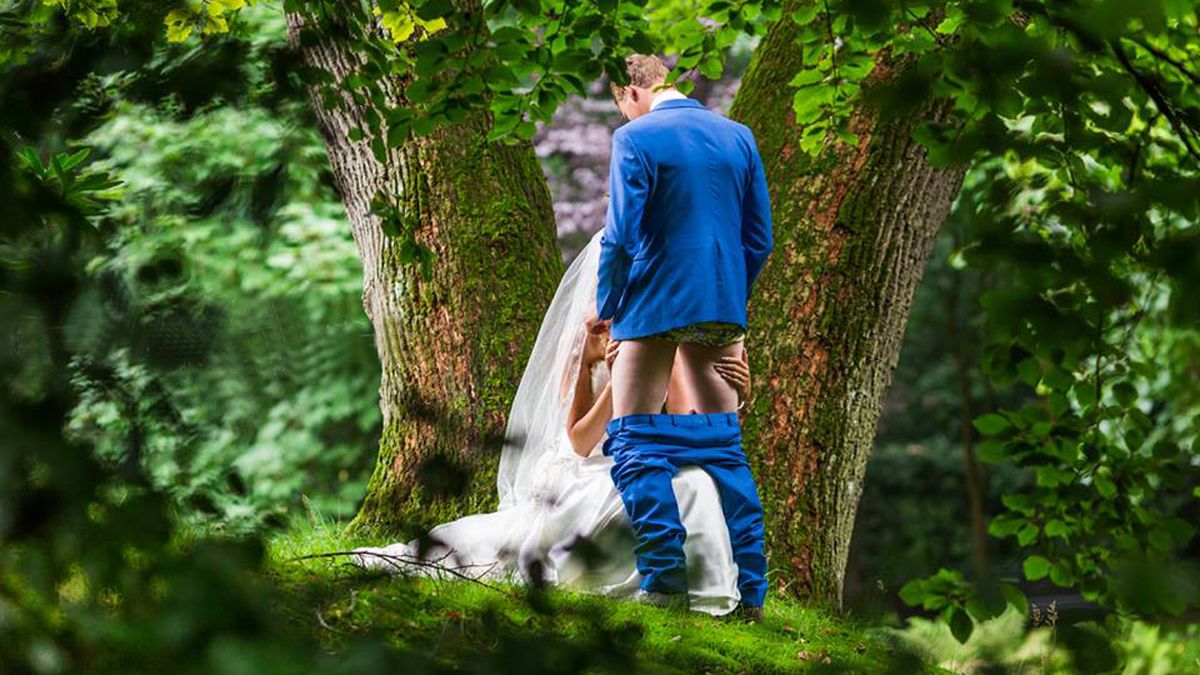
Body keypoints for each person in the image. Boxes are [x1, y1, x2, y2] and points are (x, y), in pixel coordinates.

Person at [352, 231, 757, 617]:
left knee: (695, 482)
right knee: (679, 489)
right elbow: (580, 441)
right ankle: (665, 587)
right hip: (593, 467)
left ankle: (703, 592)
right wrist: (620, 383)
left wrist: (737, 393)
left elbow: (686, 422)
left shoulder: (671, 334)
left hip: (651, 455)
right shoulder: (593, 339)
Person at [597, 54, 773, 621]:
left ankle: (665, 579)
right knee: (725, 444)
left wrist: (607, 309)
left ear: (629, 93)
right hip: (721, 302)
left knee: (632, 438)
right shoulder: (738, 135)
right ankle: (752, 593)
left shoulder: (636, 137)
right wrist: (725, 293)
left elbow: (621, 236)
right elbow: (759, 238)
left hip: (653, 300)